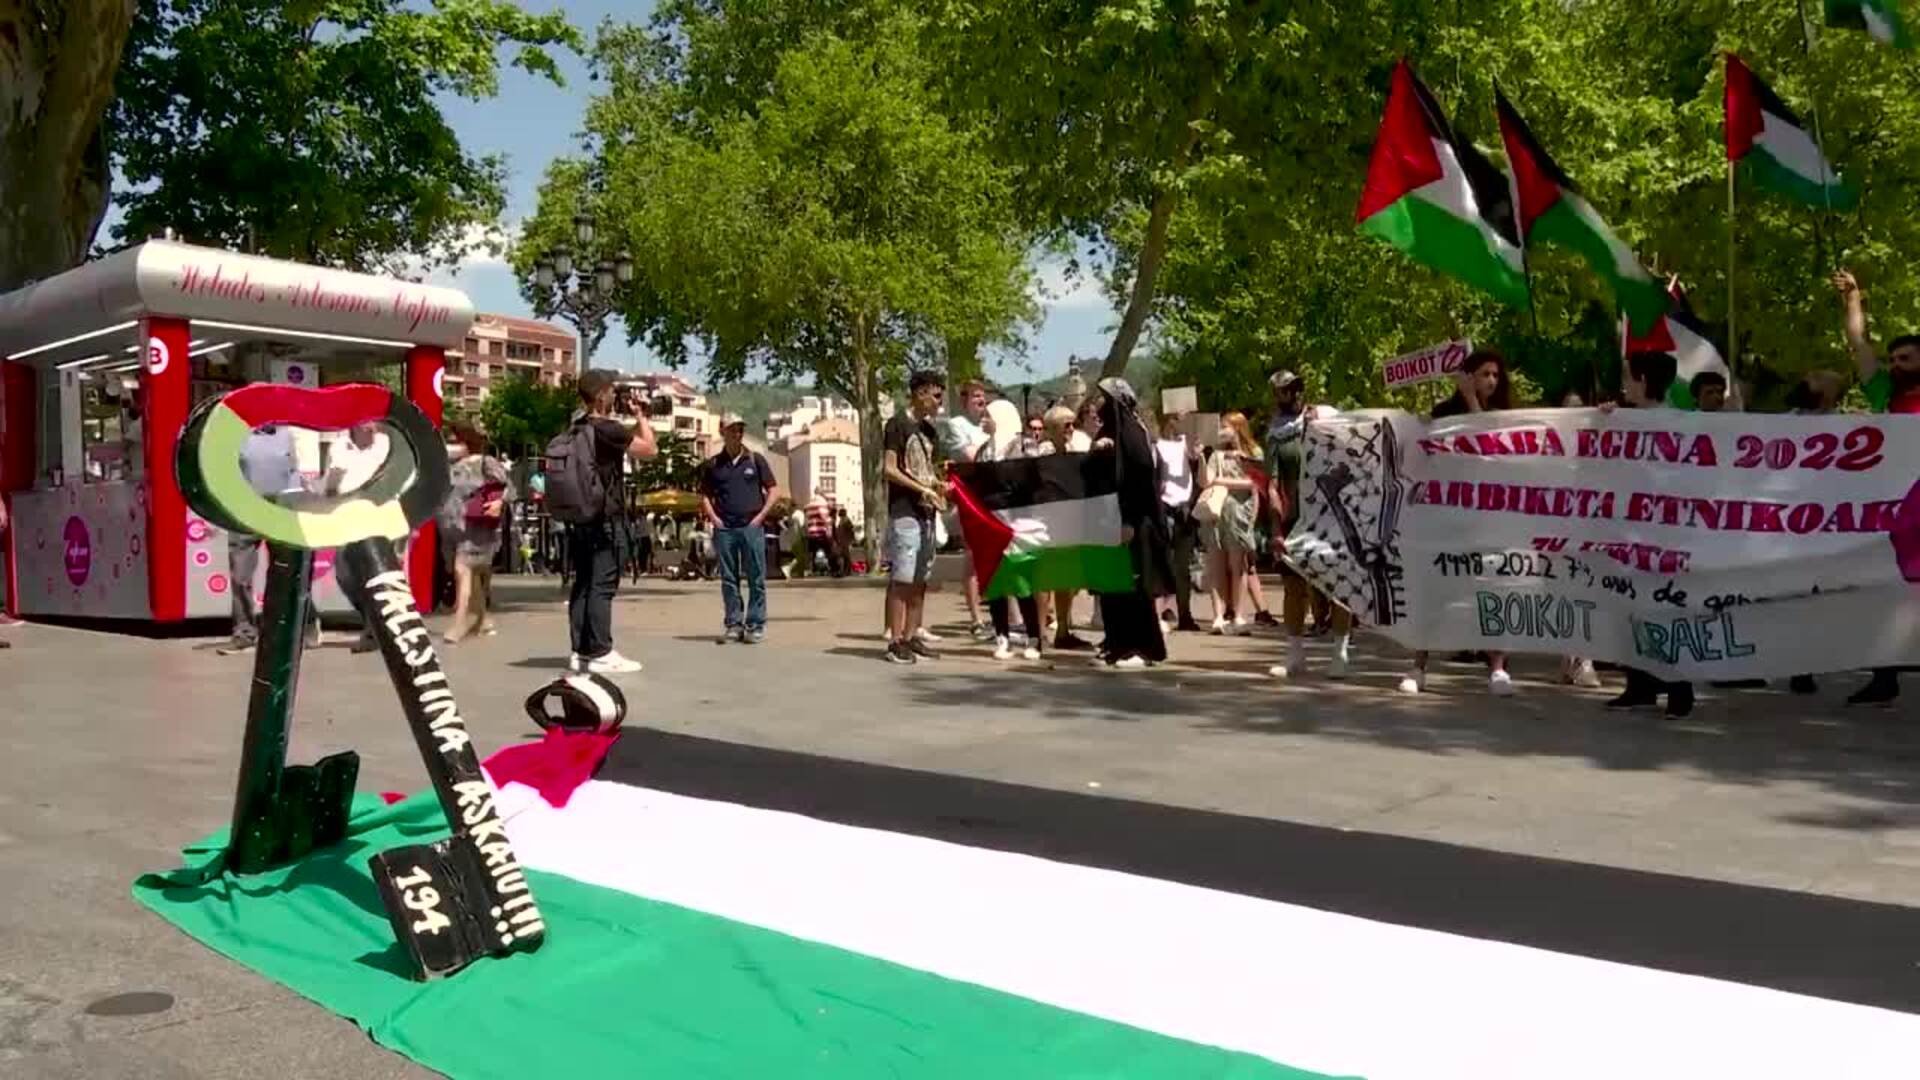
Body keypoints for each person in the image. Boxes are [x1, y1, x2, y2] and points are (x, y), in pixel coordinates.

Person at [1401, 353, 1515, 696]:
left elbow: (1489, 446)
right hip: (1447, 517)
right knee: (1436, 590)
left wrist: (1471, 401)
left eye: (1496, 374)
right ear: (1468, 376)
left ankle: (1497, 668)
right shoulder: (1443, 415)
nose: (1492, 381)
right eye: (1484, 374)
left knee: (1491, 591)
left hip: (1487, 520)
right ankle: (1418, 666)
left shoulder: (1504, 417)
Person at [1835, 268, 1920, 704]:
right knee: (1886, 588)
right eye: (1894, 359)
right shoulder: (1886, 393)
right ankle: (1884, 676)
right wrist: (1853, 300)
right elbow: (1859, 345)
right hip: (1897, 512)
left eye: (1906, 358)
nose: (1896, 365)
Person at [1605, 351, 1696, 717]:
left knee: (1664, 609)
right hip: (1629, 532)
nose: (1625, 383)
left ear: (1643, 380)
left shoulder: (1678, 423)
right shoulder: (1624, 420)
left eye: (1629, 376)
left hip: (1664, 534)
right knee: (1630, 608)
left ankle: (1679, 688)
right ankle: (1640, 685)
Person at [565, 369, 657, 675]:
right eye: (613, 391)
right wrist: (642, 416)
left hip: (579, 517)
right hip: (605, 518)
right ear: (603, 394)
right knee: (602, 585)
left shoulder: (575, 427)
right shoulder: (608, 428)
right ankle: (601, 651)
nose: (615, 396)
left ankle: (581, 652)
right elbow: (650, 450)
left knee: (583, 584)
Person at [1265, 370, 1354, 681]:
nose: (1293, 394)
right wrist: (1276, 528)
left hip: (1330, 517)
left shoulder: (1325, 418)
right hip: (1295, 519)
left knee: (1337, 586)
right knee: (1293, 588)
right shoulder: (1276, 431)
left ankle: (1341, 650)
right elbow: (1272, 484)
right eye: (1285, 391)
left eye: (1296, 388)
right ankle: (1295, 654)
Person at [1090, 378, 1173, 669]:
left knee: (1134, 588)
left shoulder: (1133, 434)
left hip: (1133, 523)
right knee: (1113, 587)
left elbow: (1140, 482)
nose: (1099, 405)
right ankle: (1117, 642)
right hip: (1108, 522)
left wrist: (1130, 521)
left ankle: (1141, 646)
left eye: (1105, 399)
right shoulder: (1109, 434)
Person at [218, 423, 319, 655]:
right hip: (245, 515)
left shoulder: (287, 437)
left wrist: (295, 510)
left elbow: (294, 474)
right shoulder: (237, 437)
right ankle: (244, 632)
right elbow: (226, 473)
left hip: (279, 514)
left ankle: (308, 624)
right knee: (240, 575)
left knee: (289, 573)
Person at [882, 370, 948, 665]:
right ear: (920, 393)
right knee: (902, 577)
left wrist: (938, 485)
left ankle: (912, 636)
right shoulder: (897, 424)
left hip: (928, 512)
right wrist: (921, 488)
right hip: (905, 511)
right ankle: (895, 640)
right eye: (936, 396)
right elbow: (889, 469)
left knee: (921, 577)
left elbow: (929, 471)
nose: (939, 402)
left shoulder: (930, 431)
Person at [701, 416, 780, 643]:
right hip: (725, 528)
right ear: (722, 431)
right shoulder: (714, 465)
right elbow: (705, 495)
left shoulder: (755, 460)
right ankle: (734, 623)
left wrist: (761, 516)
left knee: (756, 576)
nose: (737, 433)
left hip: (750, 526)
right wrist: (714, 519)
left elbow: (773, 490)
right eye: (732, 429)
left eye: (740, 429)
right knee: (728, 578)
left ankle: (755, 624)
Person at [325, 421, 392, 654]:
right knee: (344, 574)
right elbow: (331, 485)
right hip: (347, 513)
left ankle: (375, 630)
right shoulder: (339, 446)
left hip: (378, 514)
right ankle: (374, 620)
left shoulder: (385, 445)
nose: (371, 424)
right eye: (366, 418)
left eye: (374, 418)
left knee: (378, 574)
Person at [443, 423, 510, 644]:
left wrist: (500, 502)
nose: (452, 445)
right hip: (457, 527)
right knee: (473, 575)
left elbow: (508, 485)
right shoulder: (453, 465)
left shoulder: (485, 462)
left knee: (462, 570)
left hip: (478, 526)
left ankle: (459, 622)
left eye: (456, 440)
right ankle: (482, 619)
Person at [942, 380, 996, 641]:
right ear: (964, 401)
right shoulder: (957, 425)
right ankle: (976, 619)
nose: (981, 400)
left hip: (995, 496)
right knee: (974, 557)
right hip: (972, 498)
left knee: (1000, 556)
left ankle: (1008, 618)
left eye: (983, 395)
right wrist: (994, 438)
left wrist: (996, 433)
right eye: (975, 396)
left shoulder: (990, 425)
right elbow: (972, 457)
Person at [1200, 413, 1261, 636]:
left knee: (1239, 566)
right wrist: (1201, 457)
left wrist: (1222, 480)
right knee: (1216, 567)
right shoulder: (1216, 454)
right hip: (1216, 513)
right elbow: (1207, 480)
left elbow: (1255, 482)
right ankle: (1218, 616)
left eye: (1225, 427)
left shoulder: (1252, 453)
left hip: (1240, 514)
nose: (1222, 431)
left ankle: (1239, 615)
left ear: (1238, 428)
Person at [1040, 405, 1095, 651]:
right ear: (1051, 429)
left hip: (1071, 520)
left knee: (1067, 578)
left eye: (1073, 424)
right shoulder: (1042, 454)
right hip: (1047, 521)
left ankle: (1063, 629)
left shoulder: (1075, 450)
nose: (1071, 430)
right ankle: (1039, 631)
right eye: (1066, 425)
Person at [1155, 413, 1203, 632]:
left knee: (1183, 567)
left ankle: (1185, 614)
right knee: (1162, 564)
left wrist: (1197, 454)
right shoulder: (1157, 446)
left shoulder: (1187, 444)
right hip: (1165, 508)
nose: (1178, 422)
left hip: (1185, 509)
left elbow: (1198, 470)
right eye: (1175, 417)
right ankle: (1158, 615)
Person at [803, 492, 834, 576]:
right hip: (821, 532)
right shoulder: (822, 504)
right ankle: (831, 568)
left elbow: (806, 521)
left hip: (811, 533)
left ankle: (811, 569)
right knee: (829, 551)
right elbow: (824, 518)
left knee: (812, 553)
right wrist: (829, 529)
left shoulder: (808, 506)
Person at [833, 507, 856, 577]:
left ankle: (847, 571)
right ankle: (845, 571)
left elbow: (851, 531)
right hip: (842, 541)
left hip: (845, 541)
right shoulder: (843, 520)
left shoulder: (846, 520)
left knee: (846, 557)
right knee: (844, 556)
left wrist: (851, 540)